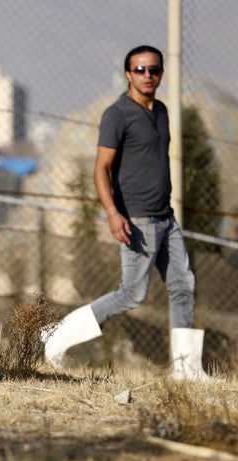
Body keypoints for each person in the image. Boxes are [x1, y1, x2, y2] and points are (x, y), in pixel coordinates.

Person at [41, 45, 211, 380]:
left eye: (154, 70)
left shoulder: (161, 111)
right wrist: (112, 214)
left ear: (161, 73)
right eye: (140, 69)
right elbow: (100, 170)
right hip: (137, 219)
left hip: (166, 217)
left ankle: (188, 370)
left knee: (182, 285)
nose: (148, 76)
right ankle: (57, 334)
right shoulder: (117, 114)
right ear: (128, 74)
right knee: (132, 293)